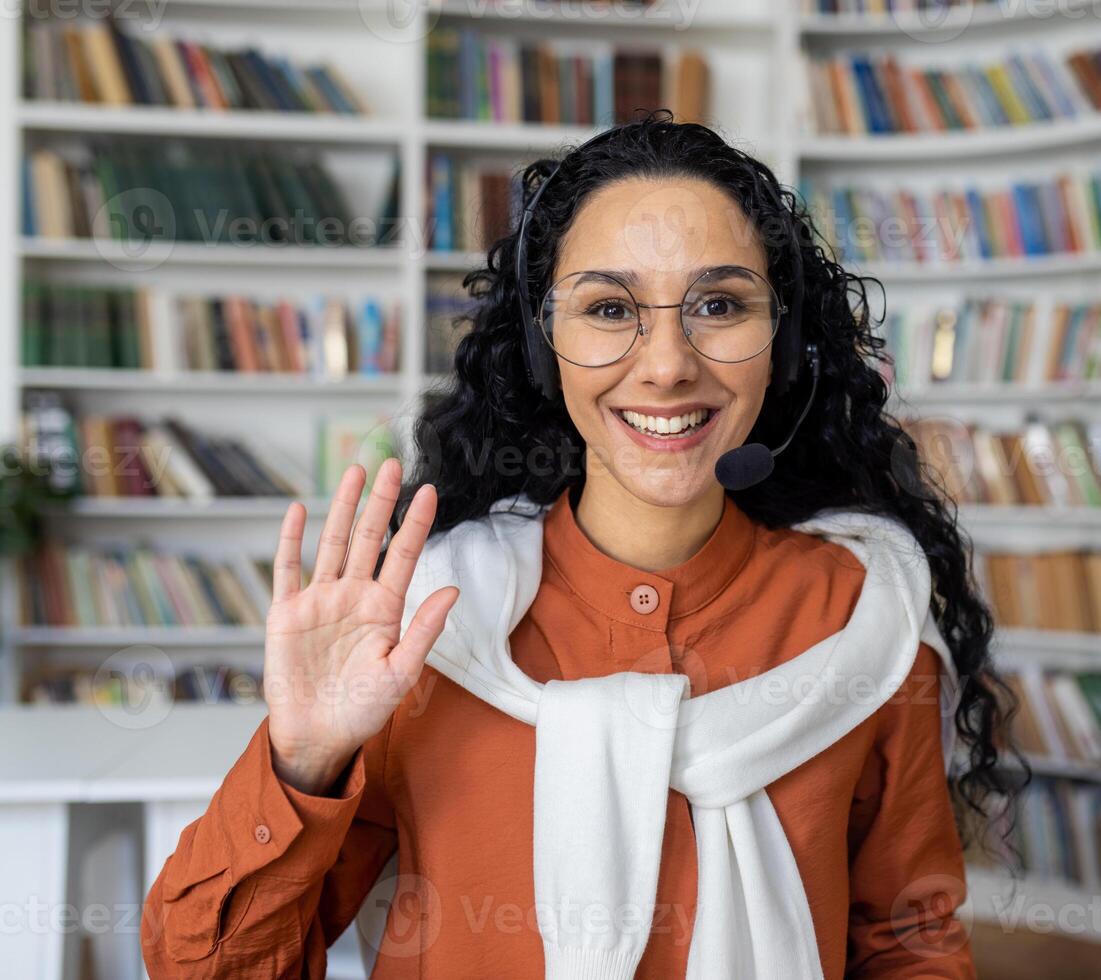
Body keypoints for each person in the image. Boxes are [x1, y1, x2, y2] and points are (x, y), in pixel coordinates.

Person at [141, 111, 1010, 979]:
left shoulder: (867, 619)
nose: (667, 364)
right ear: (542, 343)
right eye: (608, 308)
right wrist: (302, 761)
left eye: (719, 304)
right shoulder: (427, 630)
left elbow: (906, 943)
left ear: (779, 347)